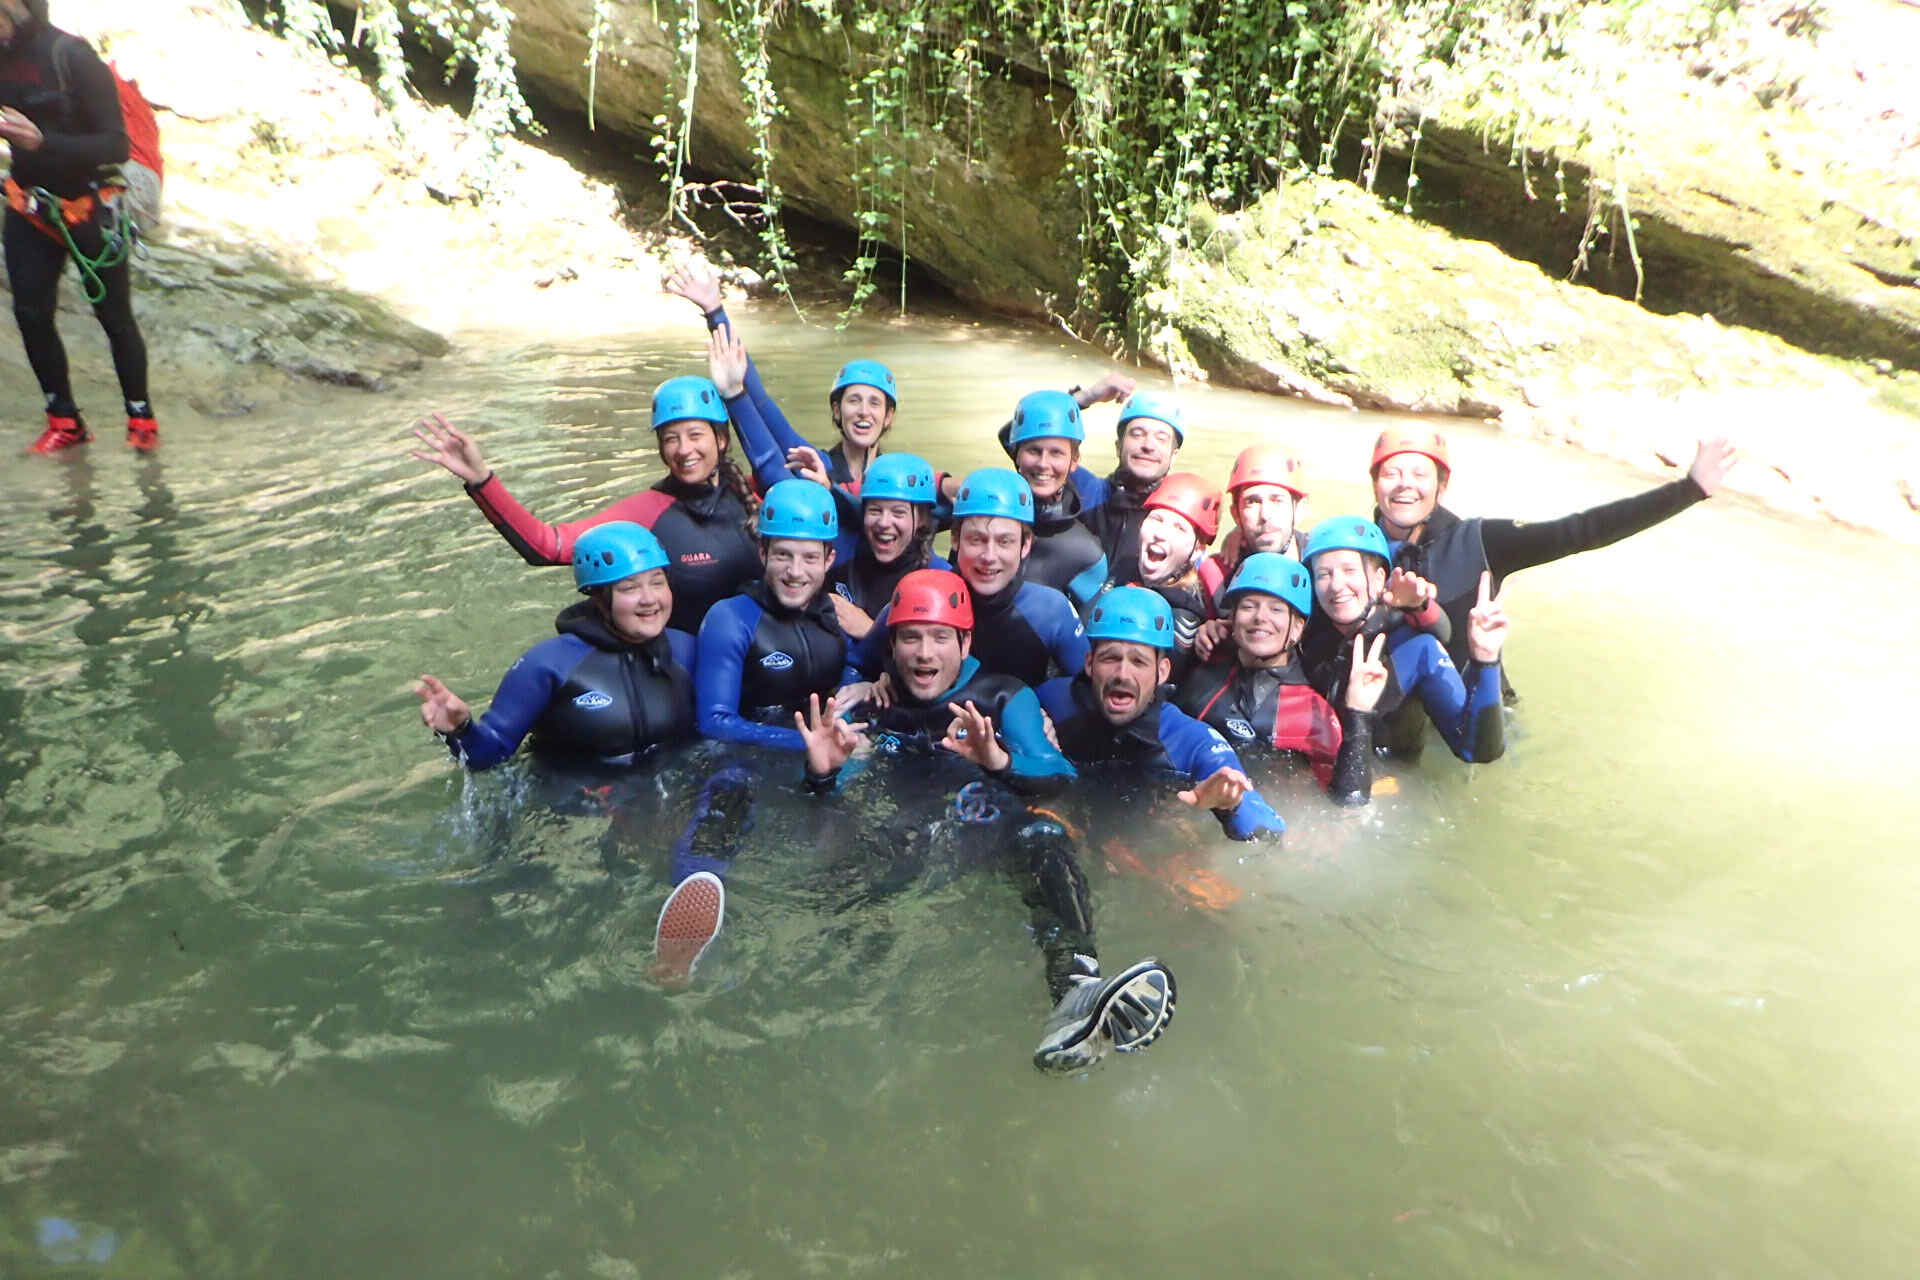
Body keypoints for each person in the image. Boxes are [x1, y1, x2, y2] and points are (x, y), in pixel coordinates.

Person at [796, 570, 1176, 1073]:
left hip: (997, 837)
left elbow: (1059, 775)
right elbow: (838, 806)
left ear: (965, 641)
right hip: (912, 841)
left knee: (1044, 835)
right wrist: (821, 777)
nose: (925, 654)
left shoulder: (1001, 696)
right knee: (855, 881)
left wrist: (997, 759)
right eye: (910, 637)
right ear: (892, 645)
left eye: (938, 638)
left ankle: (1075, 988)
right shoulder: (875, 707)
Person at [412, 520, 739, 980]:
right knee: (570, 895)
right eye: (629, 588)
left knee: (734, 788)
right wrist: (459, 728)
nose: (649, 598)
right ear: (598, 597)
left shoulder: (689, 651)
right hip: (571, 802)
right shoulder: (549, 664)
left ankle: (677, 949)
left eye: (657, 582)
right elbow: (489, 755)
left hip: (657, 788)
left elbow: (720, 727)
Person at [410, 371, 789, 634]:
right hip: (690, 662)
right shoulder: (648, 510)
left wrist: (737, 387)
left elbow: (794, 463)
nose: (684, 449)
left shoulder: (759, 490)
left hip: (765, 654)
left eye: (695, 435)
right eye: (671, 438)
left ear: (721, 440)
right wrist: (481, 480)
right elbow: (547, 546)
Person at [1370, 426, 1735, 688]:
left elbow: (1580, 530)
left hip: (1473, 718)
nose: (1405, 484)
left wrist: (1689, 490)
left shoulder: (1482, 542)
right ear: (1375, 483)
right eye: (1392, 473)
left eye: (1420, 474)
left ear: (1441, 487)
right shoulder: (1352, 551)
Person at [1, 0, 156, 452]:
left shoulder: (72, 57)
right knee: (30, 313)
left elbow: (115, 145)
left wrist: (42, 141)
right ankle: (65, 421)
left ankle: (141, 419)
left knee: (115, 319)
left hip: (91, 204)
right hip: (28, 204)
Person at [1038, 586, 1287, 843]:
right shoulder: (1051, 703)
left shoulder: (1187, 738)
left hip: (1142, 836)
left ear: (1163, 671)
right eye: (1110, 658)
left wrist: (1230, 807)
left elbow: (1269, 828)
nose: (1122, 674)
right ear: (1089, 663)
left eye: (1139, 662)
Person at [839, 468, 1088, 692]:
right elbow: (858, 664)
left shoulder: (1050, 612)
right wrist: (864, 688)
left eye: (1004, 542)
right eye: (976, 539)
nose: (989, 557)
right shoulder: (921, 593)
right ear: (956, 539)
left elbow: (1088, 684)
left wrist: (1046, 711)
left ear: (1025, 546)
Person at [665, 261, 898, 492]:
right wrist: (715, 312)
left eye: (874, 402)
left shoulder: (896, 476)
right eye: (854, 400)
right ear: (837, 410)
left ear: (888, 417)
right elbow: (762, 406)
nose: (864, 411)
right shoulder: (817, 464)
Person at [1172, 553, 1385, 805]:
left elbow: (1348, 804)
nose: (1260, 617)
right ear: (1232, 619)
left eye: (1276, 609)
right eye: (1249, 606)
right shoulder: (1202, 683)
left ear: (1296, 628)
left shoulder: (1314, 716)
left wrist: (1358, 715)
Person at [1297, 516, 1507, 763]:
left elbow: (1477, 751)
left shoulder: (1415, 649)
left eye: (1349, 570)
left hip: (1393, 782)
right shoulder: (1305, 641)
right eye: (1323, 574)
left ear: (1378, 580)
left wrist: (1485, 659)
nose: (1336, 585)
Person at [694, 477, 846, 753]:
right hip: (746, 760)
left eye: (810, 558)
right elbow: (714, 722)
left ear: (829, 560)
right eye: (783, 555)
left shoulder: (835, 612)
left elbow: (858, 665)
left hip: (821, 750)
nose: (795, 571)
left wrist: (859, 689)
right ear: (763, 553)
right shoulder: (730, 619)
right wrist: (807, 743)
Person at [819, 451, 949, 638]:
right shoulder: (843, 568)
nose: (883, 523)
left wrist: (871, 631)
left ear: (921, 518)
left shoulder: (940, 579)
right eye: (875, 510)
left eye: (898, 513)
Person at [1002, 390, 1109, 610]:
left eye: (1056, 453)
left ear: (1074, 461)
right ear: (1016, 454)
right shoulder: (981, 510)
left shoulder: (1085, 554)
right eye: (1033, 450)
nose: (1043, 463)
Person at [1119, 471, 1224, 680]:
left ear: (1196, 551)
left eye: (1179, 528)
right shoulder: (1123, 569)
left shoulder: (1182, 618)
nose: (1160, 533)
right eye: (1157, 519)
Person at [1214, 444, 1311, 584]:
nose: (1265, 515)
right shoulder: (1216, 579)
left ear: (1300, 509)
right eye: (1252, 502)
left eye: (1277, 500)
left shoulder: (1324, 566)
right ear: (1236, 514)